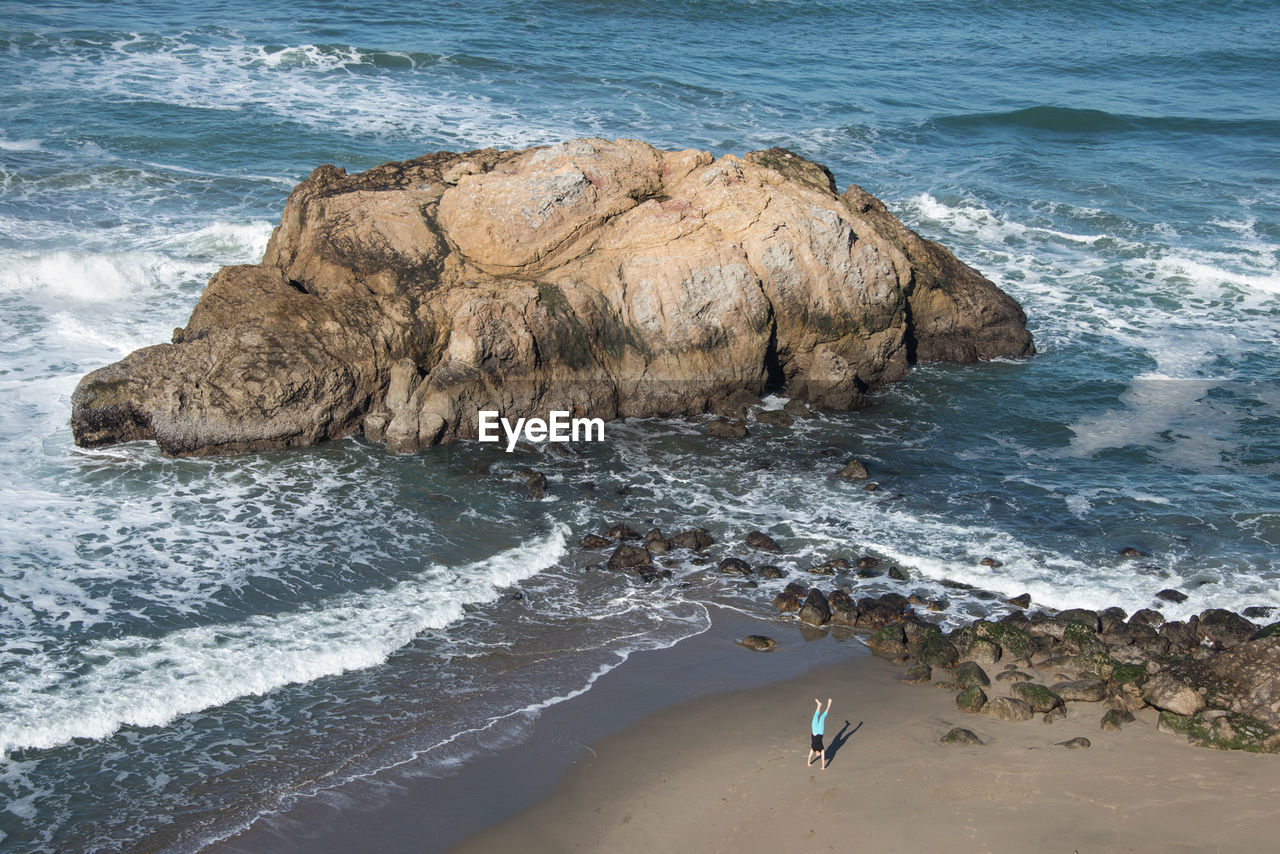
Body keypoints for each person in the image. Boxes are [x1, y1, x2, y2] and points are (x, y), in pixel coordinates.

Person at [808, 697, 832, 769]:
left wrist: (808, 763)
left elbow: (810, 756)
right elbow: (822, 759)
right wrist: (823, 767)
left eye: (817, 756)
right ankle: (829, 705)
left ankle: (819, 705)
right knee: (822, 717)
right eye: (819, 756)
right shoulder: (822, 750)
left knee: (815, 716)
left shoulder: (813, 748)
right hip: (820, 732)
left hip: (814, 731)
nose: (818, 756)